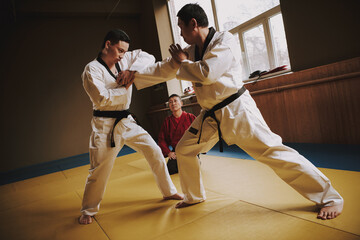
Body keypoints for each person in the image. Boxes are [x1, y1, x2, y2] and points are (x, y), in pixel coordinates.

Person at [119, 4, 344, 220]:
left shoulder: (224, 41)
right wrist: (134, 74)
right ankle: (194, 196)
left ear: (194, 24)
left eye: (181, 27)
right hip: (210, 116)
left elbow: (208, 73)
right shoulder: (189, 51)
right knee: (185, 149)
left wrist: (184, 62)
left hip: (237, 111)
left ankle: (330, 197)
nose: (180, 33)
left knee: (273, 152)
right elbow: (164, 68)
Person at [79, 29, 183, 225]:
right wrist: (126, 86)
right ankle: (88, 210)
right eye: (119, 50)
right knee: (99, 170)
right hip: (105, 125)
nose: (122, 55)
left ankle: (169, 192)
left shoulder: (124, 61)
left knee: (154, 151)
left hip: (126, 121)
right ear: (108, 44)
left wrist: (132, 72)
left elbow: (149, 56)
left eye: (125, 51)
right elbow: (102, 98)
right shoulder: (92, 69)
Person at [158, 94, 196, 174]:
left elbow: (199, 134)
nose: (173, 103)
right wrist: (168, 152)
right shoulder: (167, 121)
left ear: (181, 103)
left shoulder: (190, 117)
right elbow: (162, 139)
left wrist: (197, 149)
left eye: (175, 101)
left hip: (190, 149)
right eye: (170, 102)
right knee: (170, 169)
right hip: (177, 150)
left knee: (194, 167)